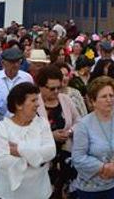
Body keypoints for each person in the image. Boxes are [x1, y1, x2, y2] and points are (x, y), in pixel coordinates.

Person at [0, 82, 57, 199]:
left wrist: (19, 150)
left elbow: (51, 152)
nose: (38, 104)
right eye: (33, 101)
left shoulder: (42, 123)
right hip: (9, 194)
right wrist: (37, 160)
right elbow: (0, 160)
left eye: (38, 100)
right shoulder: (3, 128)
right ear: (18, 104)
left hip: (40, 192)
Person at [36, 64, 81, 199]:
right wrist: (51, 136)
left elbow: (79, 121)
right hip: (43, 161)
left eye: (58, 87)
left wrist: (70, 131)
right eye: (51, 88)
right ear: (40, 86)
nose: (56, 91)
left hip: (65, 156)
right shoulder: (34, 103)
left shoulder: (65, 100)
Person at [0, 47, 34, 123]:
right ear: (3, 63)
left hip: (22, 123)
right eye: (12, 62)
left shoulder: (27, 78)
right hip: (0, 123)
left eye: (18, 62)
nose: (15, 65)